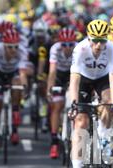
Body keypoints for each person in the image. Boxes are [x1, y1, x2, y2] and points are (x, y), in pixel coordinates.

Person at [68, 19, 113, 168]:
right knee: (81, 124)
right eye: (95, 40)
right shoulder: (80, 49)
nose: (98, 45)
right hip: (84, 79)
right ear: (88, 39)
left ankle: (104, 136)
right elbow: (74, 79)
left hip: (102, 79)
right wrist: (74, 104)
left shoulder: (112, 48)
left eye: (102, 40)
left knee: (108, 102)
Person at [0, 28, 29, 153]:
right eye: (10, 47)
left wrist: (24, 87)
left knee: (17, 84)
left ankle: (15, 123)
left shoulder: (22, 51)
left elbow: (22, 73)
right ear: (4, 45)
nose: (13, 50)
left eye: (15, 47)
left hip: (13, 74)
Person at [46, 27, 77, 159]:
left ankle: (75, 138)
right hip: (58, 75)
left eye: (70, 44)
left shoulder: (78, 49)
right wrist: (49, 88)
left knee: (75, 105)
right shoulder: (55, 49)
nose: (67, 47)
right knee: (57, 106)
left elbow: (79, 72)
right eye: (64, 44)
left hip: (73, 74)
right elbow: (52, 71)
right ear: (60, 44)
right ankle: (54, 141)